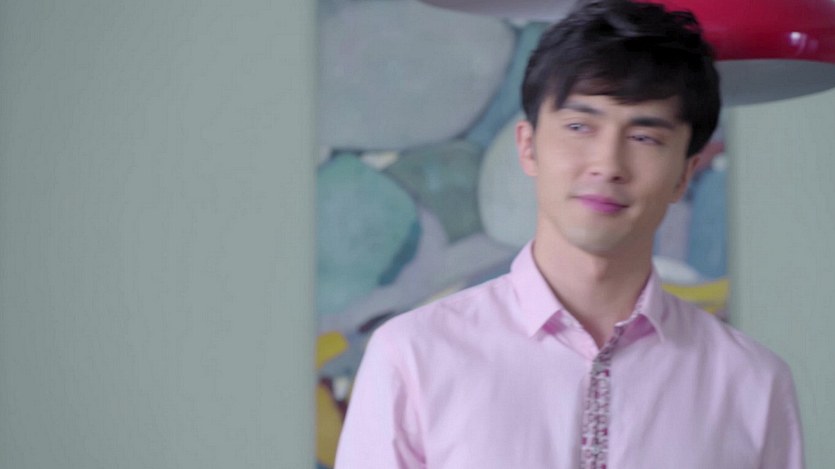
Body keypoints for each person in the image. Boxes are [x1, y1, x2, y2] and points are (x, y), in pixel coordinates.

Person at [334, 1, 804, 467]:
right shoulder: (412, 357)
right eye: (580, 126)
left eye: (644, 137)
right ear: (528, 147)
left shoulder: (753, 383)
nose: (608, 164)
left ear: (684, 174)